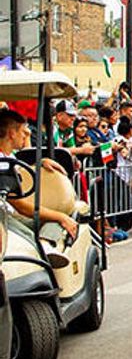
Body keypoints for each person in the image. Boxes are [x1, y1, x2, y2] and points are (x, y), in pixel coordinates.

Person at [0, 109, 79, 268]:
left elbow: (21, 172)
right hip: (6, 216)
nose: (26, 135)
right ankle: (45, 246)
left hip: (9, 213)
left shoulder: (9, 158)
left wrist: (40, 163)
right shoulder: (3, 163)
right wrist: (61, 217)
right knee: (60, 218)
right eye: (23, 131)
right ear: (11, 133)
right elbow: (21, 206)